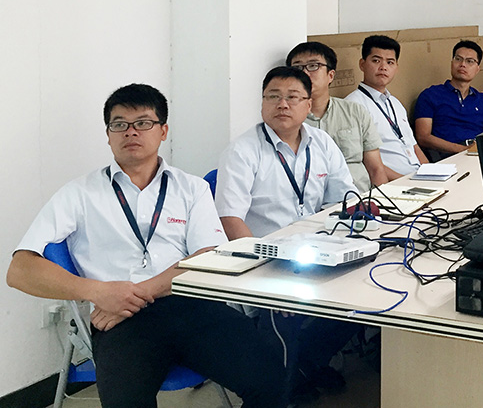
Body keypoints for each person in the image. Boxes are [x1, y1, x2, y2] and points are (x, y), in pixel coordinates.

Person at [6, 84, 283, 408]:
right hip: (120, 321)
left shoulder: (190, 188)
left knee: (273, 381)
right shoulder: (79, 194)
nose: (130, 132)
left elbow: (210, 256)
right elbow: (20, 269)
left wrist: (140, 292)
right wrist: (98, 292)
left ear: (163, 131)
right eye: (119, 124)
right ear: (108, 135)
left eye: (143, 122)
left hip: (191, 307)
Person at [214, 66, 361, 401]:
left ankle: (304, 366)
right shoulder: (242, 151)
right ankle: (278, 389)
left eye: (293, 97)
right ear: (262, 104)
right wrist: (268, 273)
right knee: (282, 313)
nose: (282, 104)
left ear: (308, 105)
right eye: (273, 97)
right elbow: (230, 220)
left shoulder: (321, 143)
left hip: (318, 252)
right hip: (265, 261)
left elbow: (343, 200)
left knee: (364, 299)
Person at [286, 41, 389, 193]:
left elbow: (376, 169)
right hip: (313, 203)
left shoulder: (355, 111)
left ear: (330, 75)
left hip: (359, 197)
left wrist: (382, 202)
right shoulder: (286, 119)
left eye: (313, 66)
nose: (305, 73)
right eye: (297, 68)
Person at [345, 35, 428, 179]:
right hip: (395, 182)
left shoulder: (395, 103)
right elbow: (365, 162)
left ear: (396, 68)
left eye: (390, 62)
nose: (383, 67)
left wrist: (433, 173)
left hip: (418, 177)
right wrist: (406, 182)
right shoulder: (352, 106)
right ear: (362, 64)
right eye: (376, 61)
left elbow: (414, 147)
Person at [413, 40, 483, 160]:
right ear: (452, 63)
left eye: (469, 61)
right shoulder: (430, 95)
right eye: (458, 59)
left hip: (479, 156)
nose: (462, 64)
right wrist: (463, 150)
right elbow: (423, 137)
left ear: (477, 69)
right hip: (446, 157)